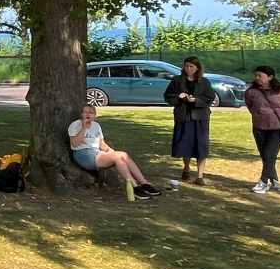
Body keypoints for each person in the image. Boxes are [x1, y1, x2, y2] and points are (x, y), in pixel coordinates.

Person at [67, 105, 161, 200]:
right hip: (83, 154)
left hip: (97, 152)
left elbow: (102, 144)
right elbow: (75, 144)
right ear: (81, 114)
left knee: (123, 155)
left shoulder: (96, 126)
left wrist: (113, 152)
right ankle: (134, 187)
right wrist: (84, 127)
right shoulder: (75, 125)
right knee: (118, 156)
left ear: (95, 115)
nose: (88, 114)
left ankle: (144, 184)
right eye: (85, 112)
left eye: (91, 112)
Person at [163, 55, 215, 185]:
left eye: (191, 66)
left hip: (200, 117)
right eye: (186, 66)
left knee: (201, 145)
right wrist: (179, 97)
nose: (188, 69)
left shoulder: (204, 81)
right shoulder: (177, 80)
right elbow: (168, 96)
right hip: (183, 116)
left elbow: (210, 98)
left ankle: (200, 175)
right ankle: (186, 168)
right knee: (185, 144)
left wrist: (196, 100)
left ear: (197, 68)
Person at [244, 65, 280, 194]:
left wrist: (279, 116)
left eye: (260, 75)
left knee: (270, 154)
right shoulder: (251, 91)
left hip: (277, 128)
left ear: (270, 77)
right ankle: (275, 180)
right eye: (256, 75)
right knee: (266, 156)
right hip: (259, 127)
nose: (257, 78)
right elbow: (249, 105)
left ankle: (263, 182)